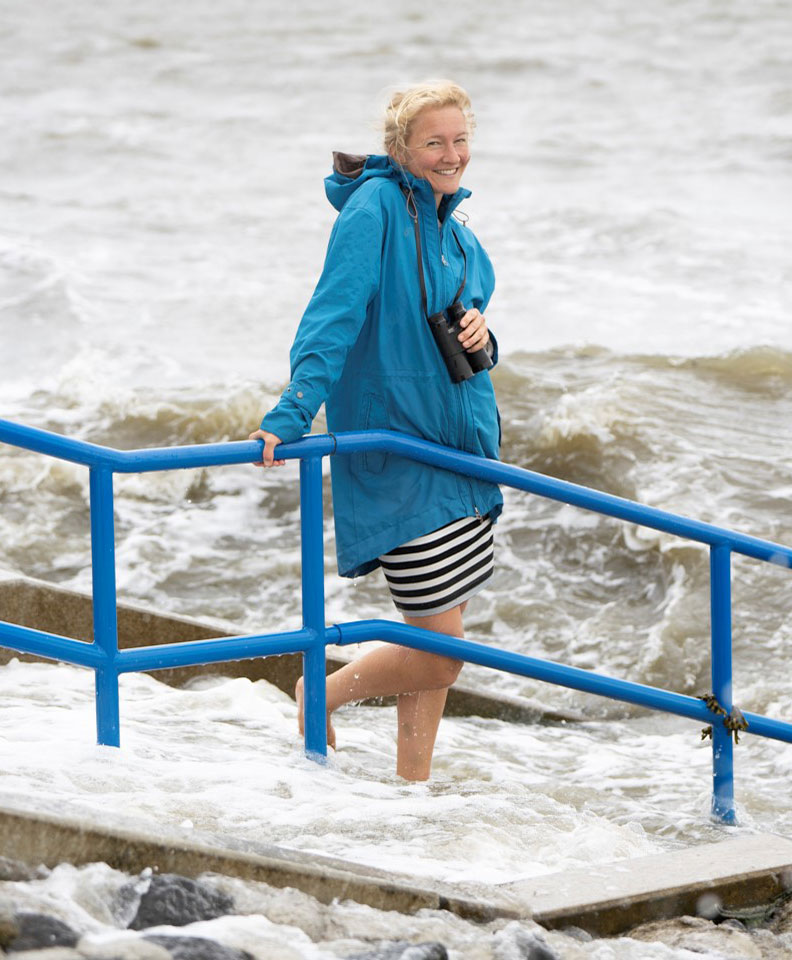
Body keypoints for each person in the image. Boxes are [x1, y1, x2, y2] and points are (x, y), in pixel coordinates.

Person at [249, 81, 503, 781]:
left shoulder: (458, 234)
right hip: (400, 458)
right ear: (400, 147)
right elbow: (332, 316)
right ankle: (318, 693)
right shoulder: (374, 210)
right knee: (443, 654)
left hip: (462, 460)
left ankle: (412, 785)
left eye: (460, 140)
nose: (451, 155)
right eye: (434, 142)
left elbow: (470, 335)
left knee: (433, 643)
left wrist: (483, 335)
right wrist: (292, 412)